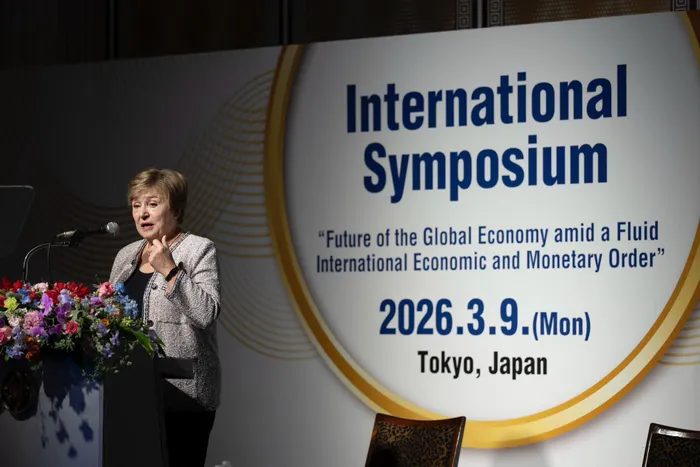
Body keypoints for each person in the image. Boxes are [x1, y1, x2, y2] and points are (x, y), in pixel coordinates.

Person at [109, 168, 221, 467]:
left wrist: (170, 271)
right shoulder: (125, 256)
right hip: (131, 391)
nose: (142, 213)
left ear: (176, 209)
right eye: (136, 205)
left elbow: (206, 313)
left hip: (183, 393)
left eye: (153, 204)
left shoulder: (199, 249)